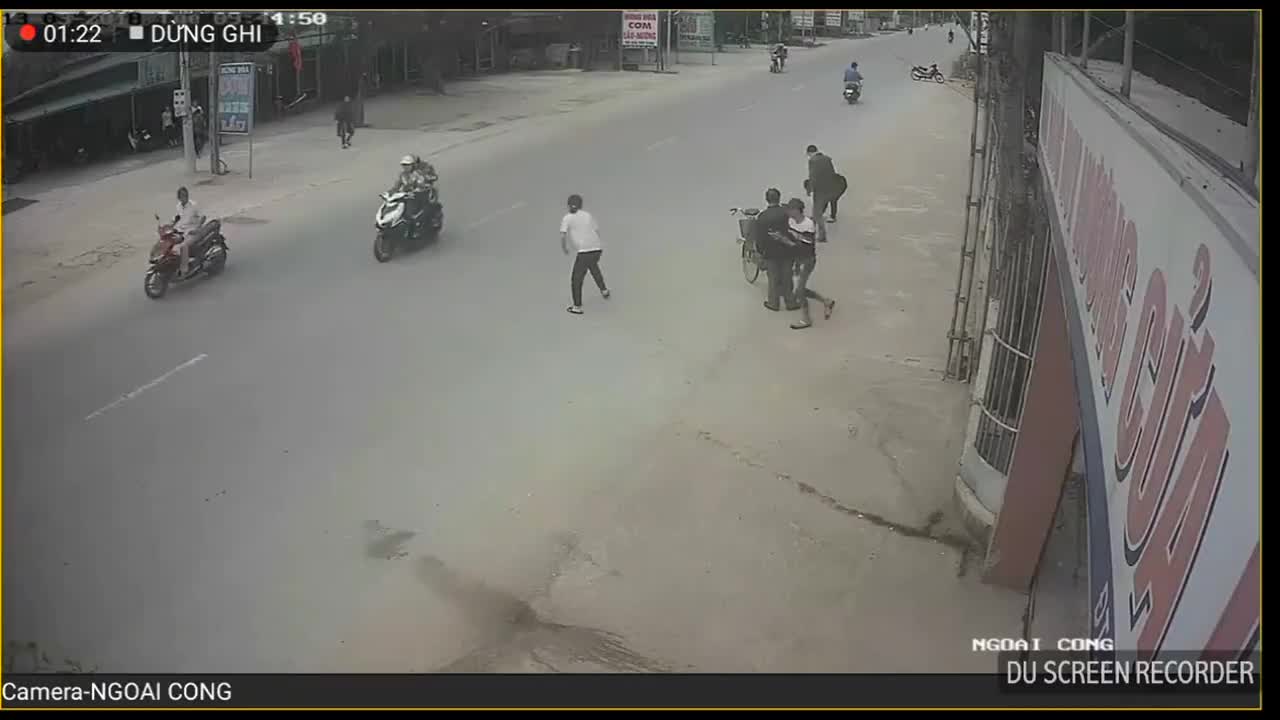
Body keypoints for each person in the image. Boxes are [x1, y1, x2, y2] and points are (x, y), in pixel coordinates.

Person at [784, 198, 836, 330]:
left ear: (797, 210)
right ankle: (826, 301)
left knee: (800, 291)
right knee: (800, 290)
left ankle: (806, 319)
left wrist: (789, 239)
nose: (788, 212)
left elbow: (806, 244)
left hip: (807, 260)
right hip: (797, 259)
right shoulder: (790, 221)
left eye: (790, 209)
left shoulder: (808, 224)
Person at [559, 193, 610, 315]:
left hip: (584, 251)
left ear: (568, 205)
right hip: (596, 248)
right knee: (593, 267)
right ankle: (604, 290)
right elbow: (596, 230)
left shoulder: (567, 218)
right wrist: (599, 243)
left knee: (576, 279)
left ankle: (577, 306)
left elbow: (563, 234)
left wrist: (564, 247)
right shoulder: (587, 215)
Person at [755, 188, 799, 313]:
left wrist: (760, 251)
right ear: (779, 198)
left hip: (770, 253)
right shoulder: (786, 213)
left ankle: (773, 303)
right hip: (787, 251)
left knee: (773, 278)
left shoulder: (762, 216)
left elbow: (760, 237)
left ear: (766, 199)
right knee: (787, 276)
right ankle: (791, 302)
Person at [389, 154, 433, 236]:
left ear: (412, 165)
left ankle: (415, 230)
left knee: (410, 213)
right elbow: (397, 185)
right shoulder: (402, 175)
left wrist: (415, 188)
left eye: (407, 165)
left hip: (419, 194)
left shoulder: (418, 174)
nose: (405, 167)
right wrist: (391, 192)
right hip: (408, 195)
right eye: (404, 165)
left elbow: (421, 183)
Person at [806, 144, 840, 241]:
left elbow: (812, 177)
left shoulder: (812, 161)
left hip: (820, 189)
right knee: (818, 211)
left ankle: (822, 236)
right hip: (830, 187)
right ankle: (812, 229)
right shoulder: (827, 159)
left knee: (817, 213)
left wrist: (809, 189)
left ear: (810, 153)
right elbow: (832, 173)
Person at [172, 186, 207, 278]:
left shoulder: (194, 205)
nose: (184, 197)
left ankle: (184, 270)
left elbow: (203, 217)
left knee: (183, 246)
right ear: (179, 197)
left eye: (185, 195)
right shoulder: (178, 206)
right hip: (181, 231)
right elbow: (178, 218)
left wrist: (197, 228)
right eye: (182, 196)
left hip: (192, 231)